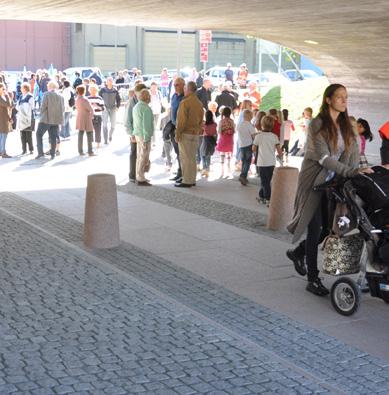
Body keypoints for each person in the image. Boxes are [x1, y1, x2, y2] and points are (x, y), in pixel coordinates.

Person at [286, 84, 374, 296]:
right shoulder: (318, 124)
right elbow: (323, 157)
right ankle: (313, 279)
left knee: (328, 228)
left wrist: (358, 171)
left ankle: (298, 252)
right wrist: (350, 172)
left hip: (333, 181)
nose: (344, 101)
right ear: (328, 100)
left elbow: (351, 154)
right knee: (315, 227)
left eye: (346, 97)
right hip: (314, 181)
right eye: (339, 97)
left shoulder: (346, 124)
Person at [174, 81, 204, 188]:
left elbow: (181, 121)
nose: (183, 90)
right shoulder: (199, 103)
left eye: (185, 88)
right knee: (192, 157)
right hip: (195, 133)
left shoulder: (185, 102)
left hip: (185, 133)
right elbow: (201, 120)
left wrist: (177, 133)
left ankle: (187, 180)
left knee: (186, 158)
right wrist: (198, 129)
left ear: (188, 89)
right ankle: (192, 179)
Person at [253, 116, 283, 204]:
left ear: (262, 125)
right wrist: (281, 156)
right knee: (267, 180)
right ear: (272, 125)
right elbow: (279, 150)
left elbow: (253, 149)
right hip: (271, 163)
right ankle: (261, 195)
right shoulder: (274, 136)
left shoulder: (258, 136)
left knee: (264, 181)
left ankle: (268, 198)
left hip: (261, 163)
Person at [35, 81, 64, 160]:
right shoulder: (61, 96)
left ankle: (40, 153)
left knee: (38, 134)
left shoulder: (46, 94)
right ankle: (52, 154)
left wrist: (40, 114)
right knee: (53, 137)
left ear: (50, 87)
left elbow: (43, 107)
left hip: (46, 119)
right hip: (56, 120)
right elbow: (62, 109)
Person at [124, 83, 147, 182]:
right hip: (134, 132)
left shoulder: (143, 101)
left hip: (142, 133)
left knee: (142, 154)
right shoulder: (131, 102)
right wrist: (131, 134)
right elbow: (127, 120)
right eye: (142, 92)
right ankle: (132, 175)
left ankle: (140, 174)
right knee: (134, 153)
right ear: (137, 93)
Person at [132, 89, 154, 186]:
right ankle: (141, 178)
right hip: (144, 136)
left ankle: (139, 176)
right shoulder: (146, 108)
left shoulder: (136, 107)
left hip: (137, 134)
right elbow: (146, 126)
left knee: (139, 156)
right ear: (147, 97)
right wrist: (146, 139)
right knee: (143, 157)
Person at [169, 77, 186, 183]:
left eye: (177, 85)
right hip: (173, 127)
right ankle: (179, 171)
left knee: (182, 152)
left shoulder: (185, 98)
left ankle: (183, 173)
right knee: (177, 152)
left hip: (181, 128)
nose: (175, 87)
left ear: (183, 85)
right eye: (174, 85)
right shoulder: (174, 96)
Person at [99, 77, 121, 144]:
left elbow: (118, 99)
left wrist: (117, 106)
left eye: (111, 81)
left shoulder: (115, 90)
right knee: (105, 124)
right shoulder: (102, 90)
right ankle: (105, 140)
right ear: (106, 82)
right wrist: (100, 106)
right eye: (109, 81)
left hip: (113, 108)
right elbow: (99, 99)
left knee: (113, 124)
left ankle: (110, 135)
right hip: (104, 108)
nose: (110, 82)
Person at [75, 85, 95, 157]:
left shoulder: (77, 99)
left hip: (79, 117)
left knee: (80, 134)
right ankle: (90, 151)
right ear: (84, 91)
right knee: (89, 134)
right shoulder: (85, 99)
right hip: (86, 117)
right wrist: (92, 115)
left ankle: (80, 151)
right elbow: (91, 109)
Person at [237, 109, 256, 185]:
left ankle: (243, 175)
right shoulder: (249, 125)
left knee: (244, 161)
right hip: (248, 145)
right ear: (250, 117)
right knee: (247, 162)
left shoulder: (239, 124)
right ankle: (243, 176)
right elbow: (253, 135)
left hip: (241, 145)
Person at [216, 106, 235, 177]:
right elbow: (234, 130)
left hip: (223, 139)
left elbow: (219, 131)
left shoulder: (221, 121)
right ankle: (228, 170)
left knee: (222, 155)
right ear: (230, 113)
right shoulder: (231, 121)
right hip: (230, 139)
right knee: (228, 155)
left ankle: (222, 171)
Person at [16, 82, 35, 155]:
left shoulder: (30, 96)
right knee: (22, 134)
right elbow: (17, 106)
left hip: (28, 117)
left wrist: (24, 107)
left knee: (28, 134)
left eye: (22, 87)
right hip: (21, 118)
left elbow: (32, 107)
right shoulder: (21, 96)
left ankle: (31, 149)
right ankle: (24, 150)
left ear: (25, 88)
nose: (20, 89)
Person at [200, 110, 217, 177]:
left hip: (205, 139)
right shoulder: (215, 124)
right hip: (212, 139)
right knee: (208, 155)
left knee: (202, 153)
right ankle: (208, 169)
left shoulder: (204, 124)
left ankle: (204, 168)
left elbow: (201, 131)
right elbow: (215, 132)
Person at [88, 84, 105, 149]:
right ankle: (91, 144)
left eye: (94, 90)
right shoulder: (88, 98)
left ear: (96, 90)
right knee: (90, 131)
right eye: (91, 90)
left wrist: (97, 106)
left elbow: (103, 108)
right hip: (90, 117)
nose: (93, 91)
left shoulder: (99, 98)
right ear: (89, 91)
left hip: (98, 116)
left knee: (98, 130)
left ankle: (98, 144)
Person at [0, 83, 12, 158]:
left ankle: (1, 151)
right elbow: (8, 104)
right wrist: (7, 96)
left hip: (4, 118)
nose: (4, 90)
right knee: (3, 135)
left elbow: (8, 107)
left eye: (4, 88)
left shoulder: (2, 97)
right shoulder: (2, 97)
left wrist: (9, 118)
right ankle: (3, 152)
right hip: (1, 119)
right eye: (3, 88)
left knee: (2, 135)